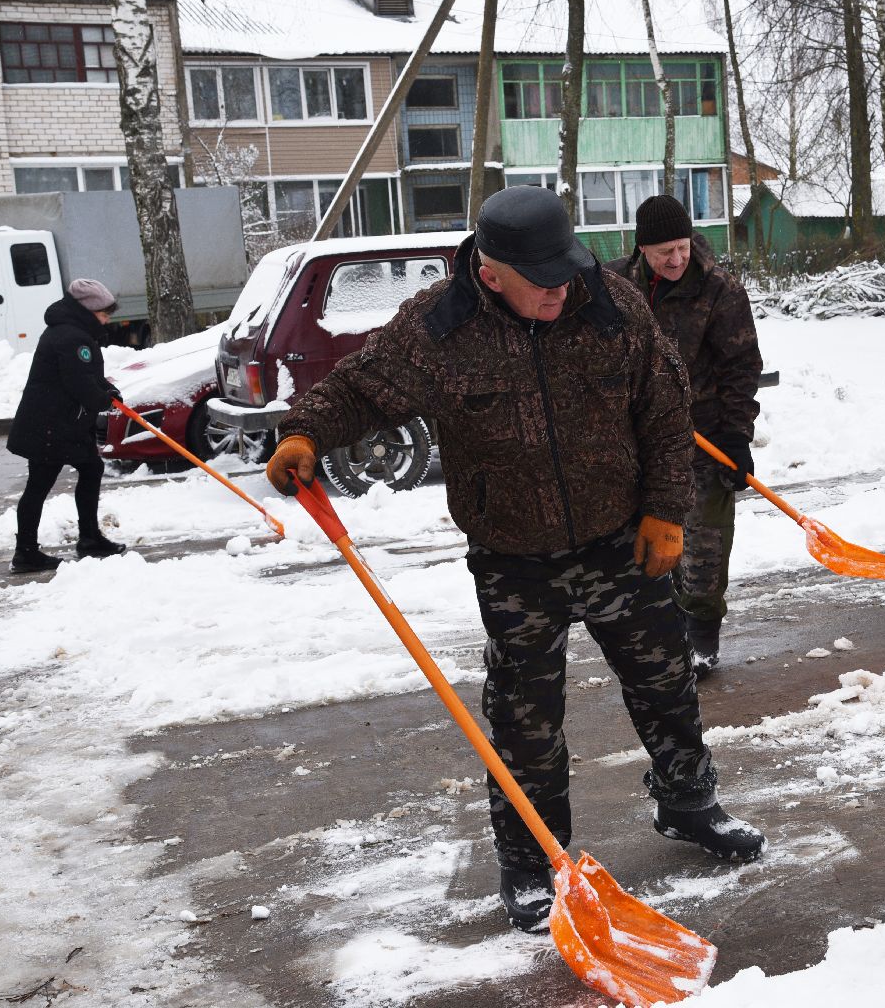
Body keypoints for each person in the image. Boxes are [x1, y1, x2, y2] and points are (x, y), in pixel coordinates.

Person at [265, 186, 765, 933]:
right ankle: (535, 863)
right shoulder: (440, 326)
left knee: (666, 682)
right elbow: (364, 388)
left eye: (565, 270)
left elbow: (666, 408)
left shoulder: (610, 304)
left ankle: (690, 802)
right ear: (492, 272)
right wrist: (305, 433)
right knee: (526, 721)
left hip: (617, 538)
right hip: (512, 557)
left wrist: (666, 511)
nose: (561, 289)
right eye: (543, 278)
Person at [606, 195, 762, 679]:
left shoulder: (719, 289)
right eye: (663, 252)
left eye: (682, 247)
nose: (676, 260)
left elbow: (741, 367)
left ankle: (701, 637)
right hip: (636, 443)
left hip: (704, 438)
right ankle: (661, 635)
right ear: (642, 248)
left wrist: (736, 438)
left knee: (704, 544)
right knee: (645, 544)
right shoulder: (613, 286)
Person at [6, 278, 127, 573]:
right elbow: (77, 383)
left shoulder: (73, 332)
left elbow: (85, 375)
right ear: (87, 310)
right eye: (104, 312)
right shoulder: (72, 337)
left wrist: (105, 389)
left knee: (91, 468)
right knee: (38, 485)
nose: (107, 318)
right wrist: (102, 398)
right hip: (50, 425)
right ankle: (26, 553)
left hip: (64, 422)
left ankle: (89, 538)